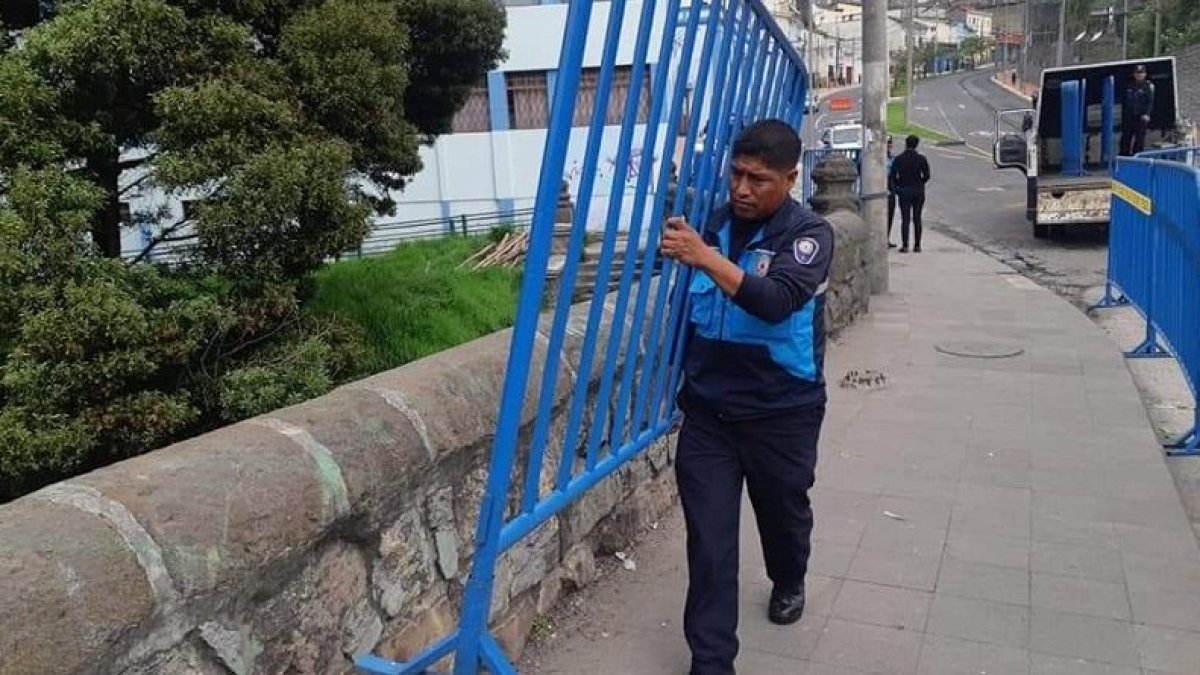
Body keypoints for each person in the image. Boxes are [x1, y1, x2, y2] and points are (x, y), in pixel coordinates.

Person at [660, 119, 833, 675]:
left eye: (758, 179)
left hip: (782, 412)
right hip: (709, 413)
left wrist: (706, 257)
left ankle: (789, 576)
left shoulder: (808, 235)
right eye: (736, 174)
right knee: (709, 544)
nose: (741, 188)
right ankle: (711, 662)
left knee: (783, 516)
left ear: (790, 178)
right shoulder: (712, 225)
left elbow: (775, 301)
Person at [889, 134, 931, 253]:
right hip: (918, 190)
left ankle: (905, 245)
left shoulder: (898, 159)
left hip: (904, 190)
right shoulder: (921, 159)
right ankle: (917, 245)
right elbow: (927, 175)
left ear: (906, 144)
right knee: (917, 218)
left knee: (905, 219)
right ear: (916, 145)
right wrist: (920, 182)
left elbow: (893, 176)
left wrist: (897, 186)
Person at [1120, 64, 1155, 156]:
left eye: (1141, 73)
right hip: (1129, 117)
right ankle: (1124, 157)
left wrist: (1147, 114)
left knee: (1139, 140)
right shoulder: (1129, 86)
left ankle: (1137, 158)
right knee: (1126, 138)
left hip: (1141, 117)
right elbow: (1124, 101)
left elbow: (1150, 102)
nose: (1139, 75)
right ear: (1134, 74)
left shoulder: (1148, 86)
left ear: (1145, 74)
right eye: (1137, 73)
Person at [886, 135, 897, 248]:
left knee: (890, 213)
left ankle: (886, 238)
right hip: (880, 183)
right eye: (887, 143)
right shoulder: (875, 157)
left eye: (890, 143)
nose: (889, 145)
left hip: (891, 185)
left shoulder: (892, 158)